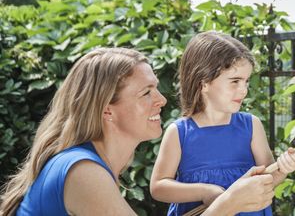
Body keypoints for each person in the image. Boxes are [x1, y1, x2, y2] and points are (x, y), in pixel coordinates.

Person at [0, 47, 274, 216]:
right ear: (107, 109)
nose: (162, 100)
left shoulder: (89, 165)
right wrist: (229, 202)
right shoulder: (82, 172)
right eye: (146, 92)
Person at [150, 31, 295, 216]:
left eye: (246, 81)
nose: (243, 90)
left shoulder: (251, 126)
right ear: (204, 82)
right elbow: (158, 187)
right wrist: (205, 191)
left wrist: (284, 168)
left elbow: (268, 178)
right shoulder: (180, 132)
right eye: (235, 81)